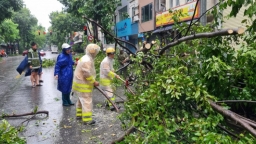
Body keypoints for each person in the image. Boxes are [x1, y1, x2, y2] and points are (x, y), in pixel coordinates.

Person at [72, 44, 100, 125]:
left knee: (81, 100)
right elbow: (86, 74)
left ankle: (79, 115)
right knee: (87, 101)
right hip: (83, 84)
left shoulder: (85, 58)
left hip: (79, 84)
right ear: (93, 52)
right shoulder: (87, 60)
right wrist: (94, 82)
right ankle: (87, 119)